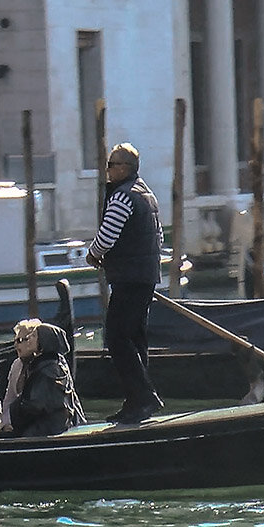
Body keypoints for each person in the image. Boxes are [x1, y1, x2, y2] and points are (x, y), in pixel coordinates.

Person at [86, 142, 164, 424]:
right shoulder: (147, 195)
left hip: (130, 277)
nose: (106, 170)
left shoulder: (122, 197)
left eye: (110, 165)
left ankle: (143, 397)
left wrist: (93, 254)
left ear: (123, 168)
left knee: (117, 338)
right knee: (135, 338)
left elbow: (107, 236)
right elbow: (158, 238)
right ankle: (136, 402)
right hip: (146, 276)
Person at [8, 321, 87, 437]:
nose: (29, 338)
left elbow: (35, 405)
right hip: (48, 425)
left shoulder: (48, 370)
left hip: (45, 429)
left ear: (44, 341)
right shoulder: (49, 365)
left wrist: (16, 409)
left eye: (34, 336)